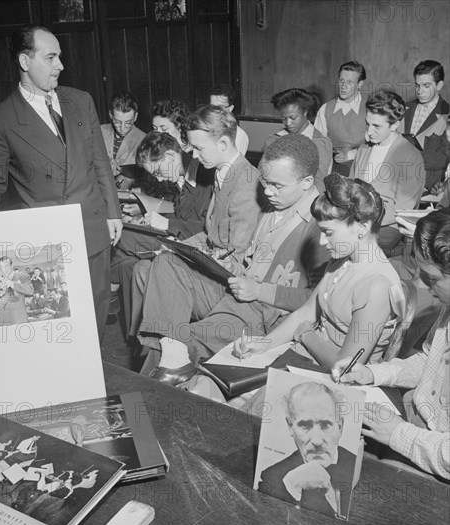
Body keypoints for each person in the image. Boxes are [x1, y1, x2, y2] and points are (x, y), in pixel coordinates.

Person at [0, 25, 122, 347]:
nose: (60, 65)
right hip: (48, 242)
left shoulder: (81, 101)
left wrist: (113, 212)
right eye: (50, 57)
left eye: (60, 57)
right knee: (57, 331)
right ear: (25, 61)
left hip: (93, 229)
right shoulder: (1, 121)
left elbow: (100, 161)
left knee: (94, 323)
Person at [137, 134, 329, 384]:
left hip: (263, 315)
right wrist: (230, 266)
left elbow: (316, 304)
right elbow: (249, 264)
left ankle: (145, 397)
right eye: (265, 182)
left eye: (277, 186)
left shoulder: (322, 228)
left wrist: (260, 290)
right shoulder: (273, 207)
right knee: (167, 262)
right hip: (237, 292)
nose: (268, 192)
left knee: (176, 341)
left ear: (306, 182)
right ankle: (174, 355)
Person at [134, 104, 262, 375]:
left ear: (225, 143)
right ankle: (172, 353)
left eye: (199, 148)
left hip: (233, 288)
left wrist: (192, 255)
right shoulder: (223, 174)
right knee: (165, 261)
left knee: (166, 266)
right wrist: (181, 248)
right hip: (220, 273)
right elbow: (210, 233)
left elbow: (233, 258)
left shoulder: (247, 182)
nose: (192, 154)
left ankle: (171, 356)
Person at [234, 174, 406, 369]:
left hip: (336, 382)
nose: (322, 241)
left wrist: (306, 335)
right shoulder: (342, 259)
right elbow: (306, 313)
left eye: (328, 232)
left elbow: (345, 365)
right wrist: (262, 344)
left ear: (362, 227)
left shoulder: (377, 285)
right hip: (307, 360)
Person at [333, 209, 450, 480]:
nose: (423, 285)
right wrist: (373, 373)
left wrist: (398, 434)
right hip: (420, 425)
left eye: (432, 278)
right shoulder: (447, 308)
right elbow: (429, 361)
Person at [111, 131, 214, 330]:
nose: (158, 180)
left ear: (170, 156)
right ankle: (137, 342)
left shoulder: (203, 176)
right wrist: (152, 221)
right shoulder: (183, 178)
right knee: (130, 264)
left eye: (158, 172)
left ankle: (109, 289)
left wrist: (166, 224)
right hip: (176, 239)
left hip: (191, 247)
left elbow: (205, 230)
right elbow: (182, 216)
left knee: (119, 235)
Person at [258, 382, 356, 519]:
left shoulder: (357, 464)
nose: (317, 441)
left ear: (340, 427)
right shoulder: (274, 478)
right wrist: (291, 487)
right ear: (290, 427)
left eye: (326, 425)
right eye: (305, 425)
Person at [350, 91, 426, 253]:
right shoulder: (364, 149)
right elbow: (350, 188)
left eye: (377, 126)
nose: (369, 132)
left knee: (358, 252)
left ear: (395, 125)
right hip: (357, 220)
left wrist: (362, 219)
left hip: (387, 228)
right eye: (367, 124)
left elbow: (402, 211)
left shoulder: (410, 156)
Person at [268, 88, 333, 192]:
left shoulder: (319, 143)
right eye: (284, 118)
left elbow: (319, 184)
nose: (288, 123)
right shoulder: (275, 138)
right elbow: (263, 171)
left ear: (305, 112)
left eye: (293, 118)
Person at [399, 60, 449, 191]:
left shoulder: (447, 115)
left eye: (426, 85)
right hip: (398, 184)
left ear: (439, 85)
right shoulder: (402, 108)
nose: (420, 91)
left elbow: (445, 159)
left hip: (430, 190)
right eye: (417, 85)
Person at [314, 61, 367, 176]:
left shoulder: (369, 110)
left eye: (349, 82)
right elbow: (318, 143)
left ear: (360, 84)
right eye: (341, 81)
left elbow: (377, 145)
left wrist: (350, 155)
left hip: (363, 168)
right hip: (331, 169)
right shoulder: (326, 109)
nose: (343, 86)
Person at [100, 91, 146, 189]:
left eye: (128, 122)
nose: (122, 127)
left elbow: (142, 178)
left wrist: (119, 178)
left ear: (135, 117)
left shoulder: (144, 140)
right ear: (111, 115)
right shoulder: (98, 132)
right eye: (117, 122)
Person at [209, 83, 249, 155]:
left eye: (220, 107)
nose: (215, 111)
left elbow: (233, 165)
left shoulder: (239, 136)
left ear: (230, 109)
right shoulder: (202, 128)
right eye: (212, 107)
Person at [0, 256, 34, 326]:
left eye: (6, 266)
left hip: (18, 317)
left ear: (12, 265)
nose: (4, 269)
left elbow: (30, 291)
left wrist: (12, 284)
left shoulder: (23, 276)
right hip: (4, 318)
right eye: (2, 267)